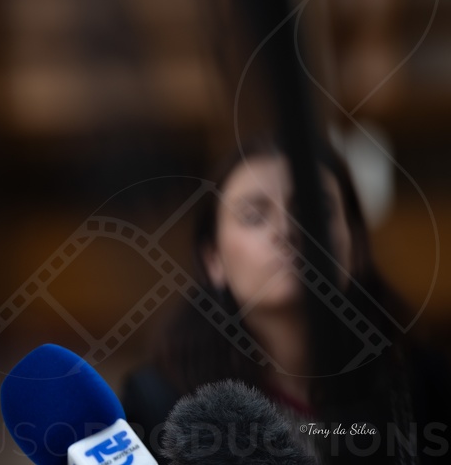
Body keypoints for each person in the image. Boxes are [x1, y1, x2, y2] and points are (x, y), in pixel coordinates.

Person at [122, 137, 450, 464]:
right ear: (213, 260)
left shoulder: (426, 387)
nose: (287, 230)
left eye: (314, 210)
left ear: (356, 244)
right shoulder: (158, 407)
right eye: (254, 216)